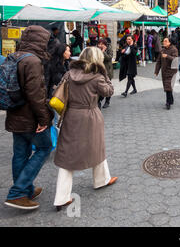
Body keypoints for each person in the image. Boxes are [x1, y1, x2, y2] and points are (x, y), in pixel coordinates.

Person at [53, 47, 117, 211]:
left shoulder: (69, 74)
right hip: (90, 116)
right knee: (97, 147)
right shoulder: (97, 77)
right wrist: (105, 74)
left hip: (71, 116)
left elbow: (57, 90)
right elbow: (109, 91)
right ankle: (101, 180)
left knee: (68, 155)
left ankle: (62, 197)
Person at [4, 26, 54, 210]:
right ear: (39, 40)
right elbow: (36, 95)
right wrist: (44, 119)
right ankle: (18, 192)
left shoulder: (15, 56)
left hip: (15, 114)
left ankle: (25, 190)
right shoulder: (32, 61)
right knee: (44, 148)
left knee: (20, 153)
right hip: (30, 118)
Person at [155, 38, 179, 110]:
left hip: (172, 71)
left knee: (168, 85)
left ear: (169, 42)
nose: (164, 42)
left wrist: (167, 56)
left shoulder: (174, 49)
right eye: (164, 41)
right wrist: (156, 71)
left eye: (166, 41)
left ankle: (168, 102)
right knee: (167, 86)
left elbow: (175, 59)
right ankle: (171, 99)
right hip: (164, 71)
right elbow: (158, 61)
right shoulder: (162, 50)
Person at [98, 38, 113, 109]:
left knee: (107, 86)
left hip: (107, 70)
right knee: (100, 86)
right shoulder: (97, 49)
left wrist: (103, 51)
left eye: (102, 44)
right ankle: (99, 100)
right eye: (99, 44)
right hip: (99, 70)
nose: (100, 45)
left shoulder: (109, 48)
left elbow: (109, 58)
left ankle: (107, 101)